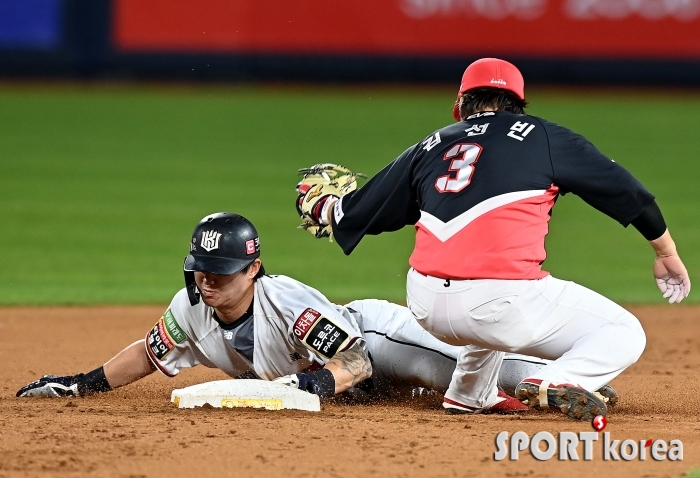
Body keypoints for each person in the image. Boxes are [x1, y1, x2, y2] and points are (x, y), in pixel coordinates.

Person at [298, 58, 690, 420]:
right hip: (499, 303)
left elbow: (363, 211)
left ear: (461, 104)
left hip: (425, 300)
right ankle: (557, 380)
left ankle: (469, 392)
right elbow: (624, 190)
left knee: (483, 304)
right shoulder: (543, 136)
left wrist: (327, 207)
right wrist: (665, 250)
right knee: (623, 331)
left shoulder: (433, 144)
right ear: (519, 103)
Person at [17, 212, 600, 412]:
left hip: (372, 337)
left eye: (220, 274)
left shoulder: (285, 301)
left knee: (446, 374)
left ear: (252, 270)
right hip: (337, 373)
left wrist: (301, 386)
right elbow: (149, 354)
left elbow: (356, 362)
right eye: (200, 271)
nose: (207, 282)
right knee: (414, 400)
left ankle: (563, 379)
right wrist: (82, 384)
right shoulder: (190, 308)